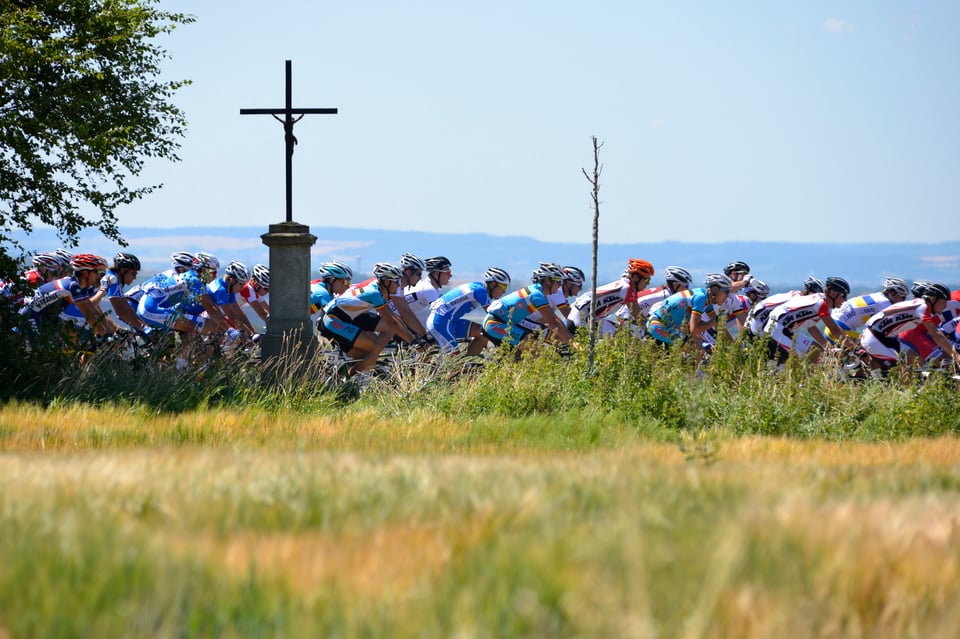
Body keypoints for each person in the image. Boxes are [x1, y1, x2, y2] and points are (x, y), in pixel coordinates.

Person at [319, 262, 416, 374]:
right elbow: (391, 322)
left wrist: (412, 335)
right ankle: (349, 383)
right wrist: (413, 341)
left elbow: (394, 317)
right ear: (387, 282)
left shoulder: (379, 291)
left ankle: (341, 381)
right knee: (373, 350)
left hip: (336, 321)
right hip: (333, 321)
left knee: (366, 358)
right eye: (396, 282)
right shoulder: (374, 293)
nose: (399, 285)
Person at [861, 282, 960, 373]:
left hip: (882, 336)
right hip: (874, 336)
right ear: (933, 299)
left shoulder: (919, 304)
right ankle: (903, 392)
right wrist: (956, 356)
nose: (945, 306)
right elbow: (935, 334)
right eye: (944, 302)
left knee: (910, 367)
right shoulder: (922, 307)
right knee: (900, 371)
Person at [20, 253, 119, 338]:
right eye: (98, 272)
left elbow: (91, 307)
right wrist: (102, 289)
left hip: (45, 314)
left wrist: (102, 327)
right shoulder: (72, 285)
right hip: (31, 313)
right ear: (85, 273)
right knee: (41, 352)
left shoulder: (81, 287)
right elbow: (87, 313)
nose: (100, 276)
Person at [482, 263, 573, 352]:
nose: (560, 285)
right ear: (548, 280)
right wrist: (572, 343)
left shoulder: (537, 291)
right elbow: (552, 321)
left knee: (527, 350)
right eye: (558, 281)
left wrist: (570, 339)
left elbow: (555, 319)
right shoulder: (536, 295)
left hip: (502, 322)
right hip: (495, 323)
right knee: (535, 352)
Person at [763, 276, 855, 364]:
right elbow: (834, 330)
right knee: (795, 367)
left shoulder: (819, 301)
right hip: (777, 330)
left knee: (818, 352)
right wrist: (855, 349)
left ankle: (812, 378)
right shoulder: (820, 304)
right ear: (833, 294)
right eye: (844, 296)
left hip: (785, 330)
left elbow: (812, 329)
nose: (845, 300)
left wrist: (828, 348)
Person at [426, 267, 511, 355]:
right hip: (440, 322)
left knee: (483, 335)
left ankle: (468, 364)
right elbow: (494, 315)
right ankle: (462, 367)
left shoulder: (479, 287)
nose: (504, 291)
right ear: (493, 284)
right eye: (503, 287)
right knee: (454, 359)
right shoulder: (481, 291)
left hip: (451, 321)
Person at [567, 258, 655, 336]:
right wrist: (654, 331)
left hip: (581, 314)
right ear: (635, 277)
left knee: (620, 332)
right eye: (646, 279)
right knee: (623, 335)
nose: (648, 283)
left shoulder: (624, 285)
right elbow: (638, 316)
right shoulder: (626, 288)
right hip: (583, 318)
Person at [646, 273, 733, 348]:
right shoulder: (701, 298)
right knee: (697, 351)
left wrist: (734, 346)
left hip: (664, 326)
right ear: (715, 289)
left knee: (700, 346)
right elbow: (694, 329)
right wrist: (716, 320)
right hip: (658, 326)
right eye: (726, 291)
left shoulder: (707, 300)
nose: (728, 296)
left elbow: (719, 326)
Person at [825, 277, 910, 341]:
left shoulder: (878, 297)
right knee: (869, 346)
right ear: (892, 293)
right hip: (840, 330)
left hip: (832, 326)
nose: (903, 300)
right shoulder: (885, 304)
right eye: (902, 297)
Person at [744, 277, 823, 338]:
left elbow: (811, 327)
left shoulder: (796, 295)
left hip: (762, 324)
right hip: (761, 326)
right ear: (811, 292)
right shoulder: (798, 300)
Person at [206, 261, 257, 337]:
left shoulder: (229, 290)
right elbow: (231, 316)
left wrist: (254, 333)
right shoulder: (221, 289)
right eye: (241, 284)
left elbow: (240, 314)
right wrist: (248, 333)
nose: (242, 287)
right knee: (227, 337)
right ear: (232, 280)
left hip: (212, 316)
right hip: (203, 316)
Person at [404, 255, 453, 327]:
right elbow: (443, 313)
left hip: (401, 319)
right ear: (436, 273)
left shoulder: (434, 288)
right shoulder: (429, 289)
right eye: (448, 272)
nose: (450, 275)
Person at [310, 261, 353, 326]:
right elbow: (336, 316)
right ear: (332, 280)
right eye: (345, 282)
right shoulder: (323, 293)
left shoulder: (319, 285)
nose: (347, 286)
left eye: (349, 282)